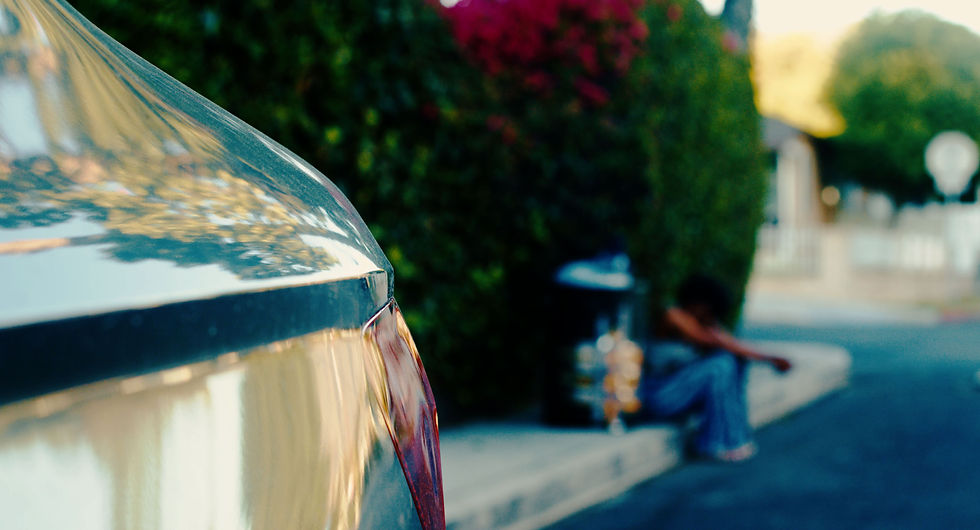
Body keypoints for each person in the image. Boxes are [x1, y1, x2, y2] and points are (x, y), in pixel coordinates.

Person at [640, 274, 791, 462]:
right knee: (718, 367)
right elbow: (711, 340)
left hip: (678, 395)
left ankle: (735, 437)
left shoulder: (705, 323)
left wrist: (768, 358)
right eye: (708, 309)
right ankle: (714, 442)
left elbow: (731, 344)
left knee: (732, 361)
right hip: (657, 396)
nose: (709, 315)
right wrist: (770, 359)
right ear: (698, 302)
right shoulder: (673, 316)